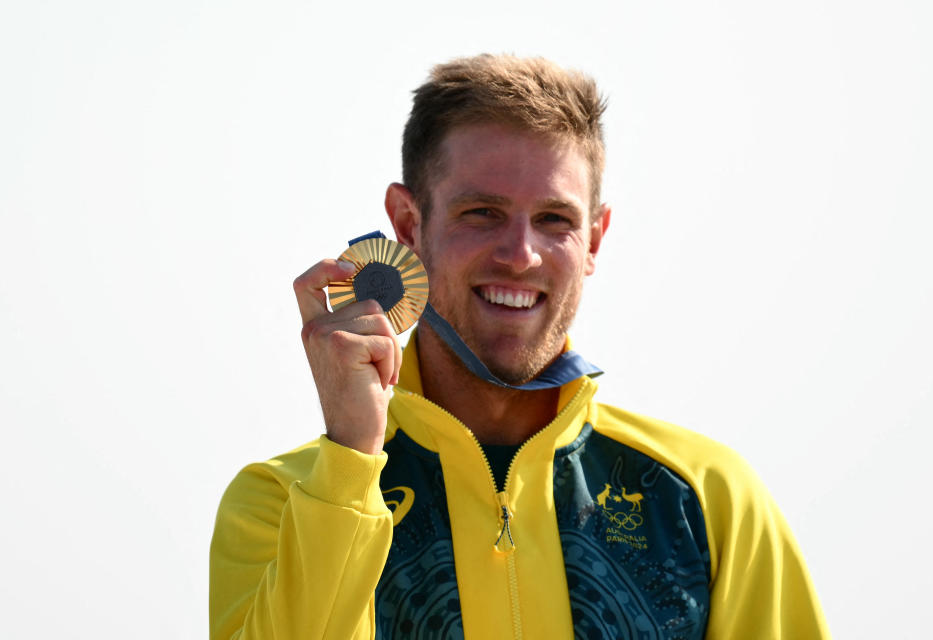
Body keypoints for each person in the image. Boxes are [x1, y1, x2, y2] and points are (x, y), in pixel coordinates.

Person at [210, 54, 830, 640]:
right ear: (407, 224)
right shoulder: (282, 502)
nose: (520, 254)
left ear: (594, 239)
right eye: (482, 212)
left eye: (555, 220)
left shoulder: (709, 497)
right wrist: (348, 466)